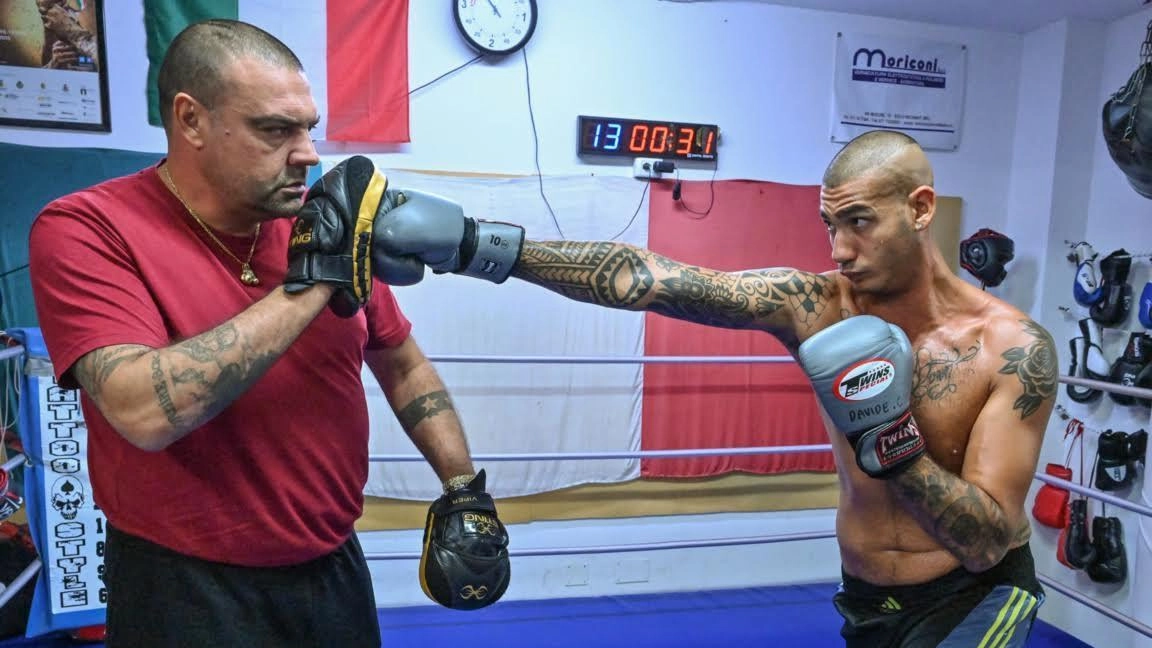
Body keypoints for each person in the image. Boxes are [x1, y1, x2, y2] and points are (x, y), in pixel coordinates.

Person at [369, 130, 1057, 647]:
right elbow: (653, 280)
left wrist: (893, 443)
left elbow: (987, 540)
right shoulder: (816, 305)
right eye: (829, 224)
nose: (839, 250)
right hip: (867, 598)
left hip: (977, 599)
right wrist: (479, 247)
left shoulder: (1011, 350)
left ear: (920, 208)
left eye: (858, 222)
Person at [27, 19, 507, 648]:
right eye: (275, 130)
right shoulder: (88, 230)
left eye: (308, 126)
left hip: (332, 569)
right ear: (191, 121)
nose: (307, 152)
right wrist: (314, 282)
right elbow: (142, 409)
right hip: (182, 588)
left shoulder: (319, 225)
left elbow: (401, 361)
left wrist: (463, 485)